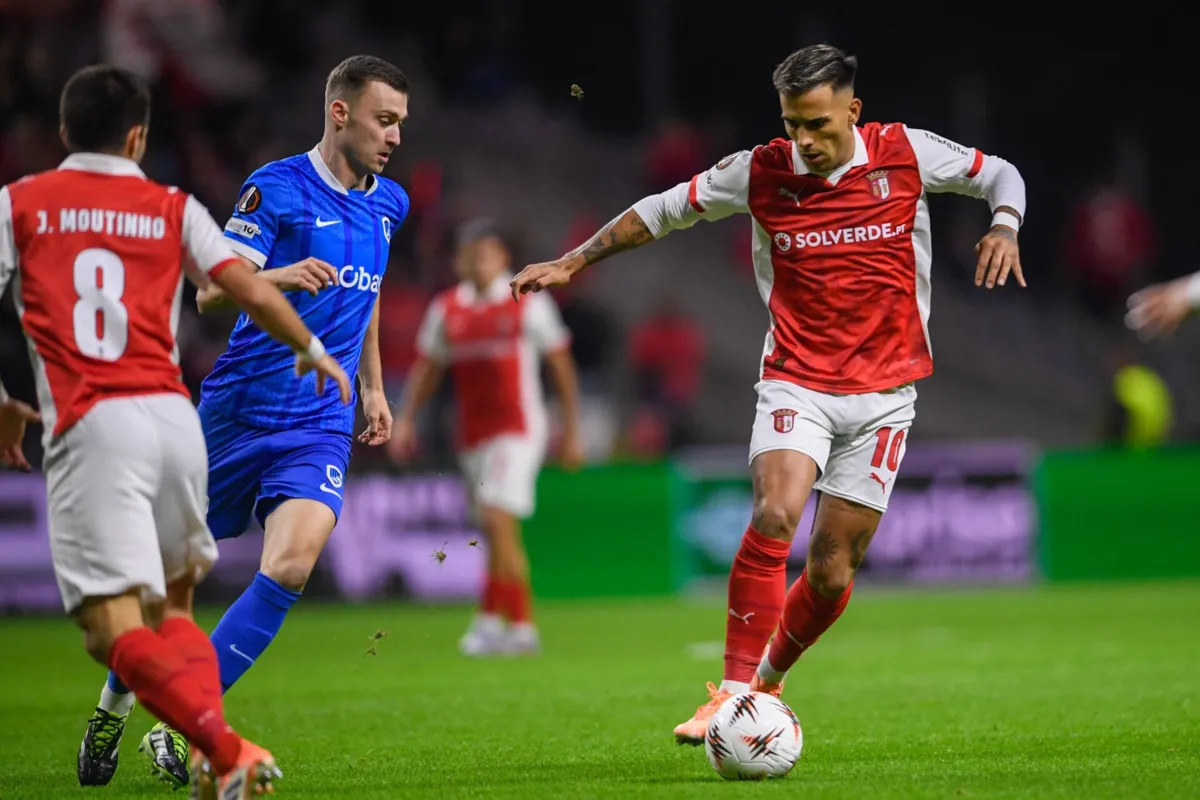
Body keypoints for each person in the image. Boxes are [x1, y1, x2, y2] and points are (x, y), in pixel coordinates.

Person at [510, 43, 1027, 744]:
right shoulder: (759, 170)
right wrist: (575, 260)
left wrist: (1004, 222)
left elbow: (1000, 173)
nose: (805, 141)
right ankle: (728, 696)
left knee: (831, 570)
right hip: (798, 378)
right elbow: (661, 210)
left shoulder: (904, 152)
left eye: (817, 123)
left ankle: (767, 683)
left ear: (853, 110)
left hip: (886, 392)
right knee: (776, 510)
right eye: (792, 125)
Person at [0, 64, 352, 797]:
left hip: (93, 427)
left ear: (63, 133)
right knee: (175, 607)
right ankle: (190, 742)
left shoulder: (20, 203)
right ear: (138, 137)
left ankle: (223, 750)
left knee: (113, 626)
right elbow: (241, 285)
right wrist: (314, 350)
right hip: (173, 423)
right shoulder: (171, 205)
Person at [78, 54, 411, 786]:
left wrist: (374, 387)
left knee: (291, 563)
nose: (394, 137)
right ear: (340, 112)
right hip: (237, 412)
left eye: (400, 124)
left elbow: (372, 292)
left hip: (321, 418)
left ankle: (186, 729)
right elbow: (212, 298)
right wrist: (278, 278)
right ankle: (111, 709)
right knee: (161, 585)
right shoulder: (277, 189)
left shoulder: (391, 204)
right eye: (384, 120)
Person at [388, 218, 583, 655]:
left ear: (503, 259)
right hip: (472, 435)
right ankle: (505, 622)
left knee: (496, 518)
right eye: (471, 254)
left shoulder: (527, 302)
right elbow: (428, 369)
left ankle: (510, 622)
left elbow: (562, 367)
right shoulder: (447, 310)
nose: (479, 262)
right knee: (496, 529)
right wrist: (406, 421)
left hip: (517, 428)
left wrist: (571, 430)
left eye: (487, 254)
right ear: (459, 260)